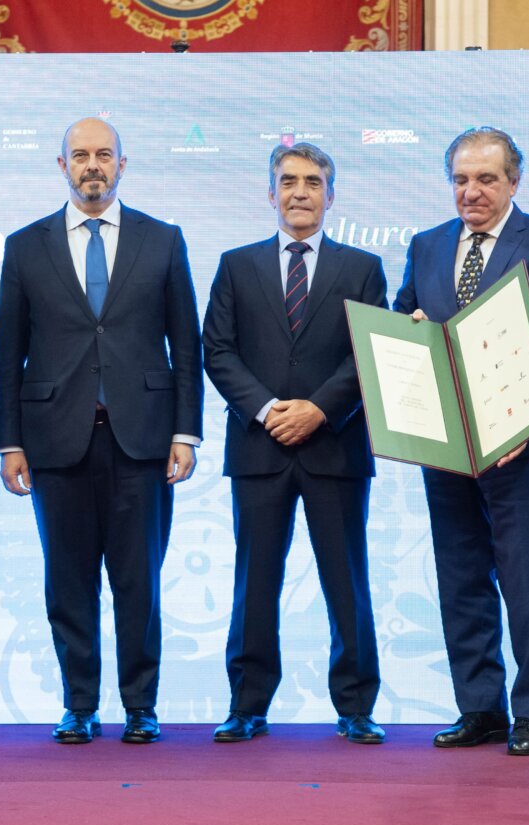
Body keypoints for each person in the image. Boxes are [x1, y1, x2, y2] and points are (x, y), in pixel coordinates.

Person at [0, 117, 203, 745]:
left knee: (140, 581)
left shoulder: (163, 240)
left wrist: (185, 432)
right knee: (68, 581)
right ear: (61, 166)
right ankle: (79, 704)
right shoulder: (27, 246)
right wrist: (10, 442)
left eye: (103, 155)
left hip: (142, 439)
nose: (92, 165)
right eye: (80, 155)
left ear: (122, 164)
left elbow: (184, 345)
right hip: (55, 440)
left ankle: (141, 706)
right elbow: (8, 353)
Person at [393, 126, 529, 756]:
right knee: (461, 577)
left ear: (514, 181)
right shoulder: (426, 247)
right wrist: (408, 334)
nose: (470, 192)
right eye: (460, 180)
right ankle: (480, 708)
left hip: (524, 450)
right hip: (446, 446)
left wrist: (522, 424)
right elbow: (401, 324)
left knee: (526, 581)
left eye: (486, 179)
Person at [201, 142, 387, 745]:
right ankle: (247, 704)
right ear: (271, 193)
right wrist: (267, 410)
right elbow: (218, 351)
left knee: (347, 579)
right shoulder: (236, 264)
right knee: (254, 581)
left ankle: (356, 706)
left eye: (312, 182)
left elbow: (370, 351)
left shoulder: (363, 268)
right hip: (259, 447)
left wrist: (318, 410)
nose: (300, 192)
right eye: (288, 181)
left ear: (331, 196)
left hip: (334, 446)